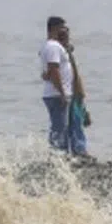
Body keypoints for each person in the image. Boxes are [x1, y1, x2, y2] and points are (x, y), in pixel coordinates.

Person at [40, 16, 74, 151]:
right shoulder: (53, 46)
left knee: (60, 127)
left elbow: (47, 72)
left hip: (55, 93)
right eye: (62, 28)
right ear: (54, 28)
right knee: (59, 128)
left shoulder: (51, 46)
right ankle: (57, 156)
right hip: (56, 94)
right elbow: (54, 70)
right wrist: (62, 92)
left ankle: (59, 154)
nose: (65, 31)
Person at [59, 27, 92, 157]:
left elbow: (75, 74)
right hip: (69, 91)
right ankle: (78, 150)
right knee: (73, 122)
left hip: (75, 91)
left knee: (77, 120)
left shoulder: (67, 53)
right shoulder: (61, 54)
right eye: (64, 37)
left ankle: (78, 149)